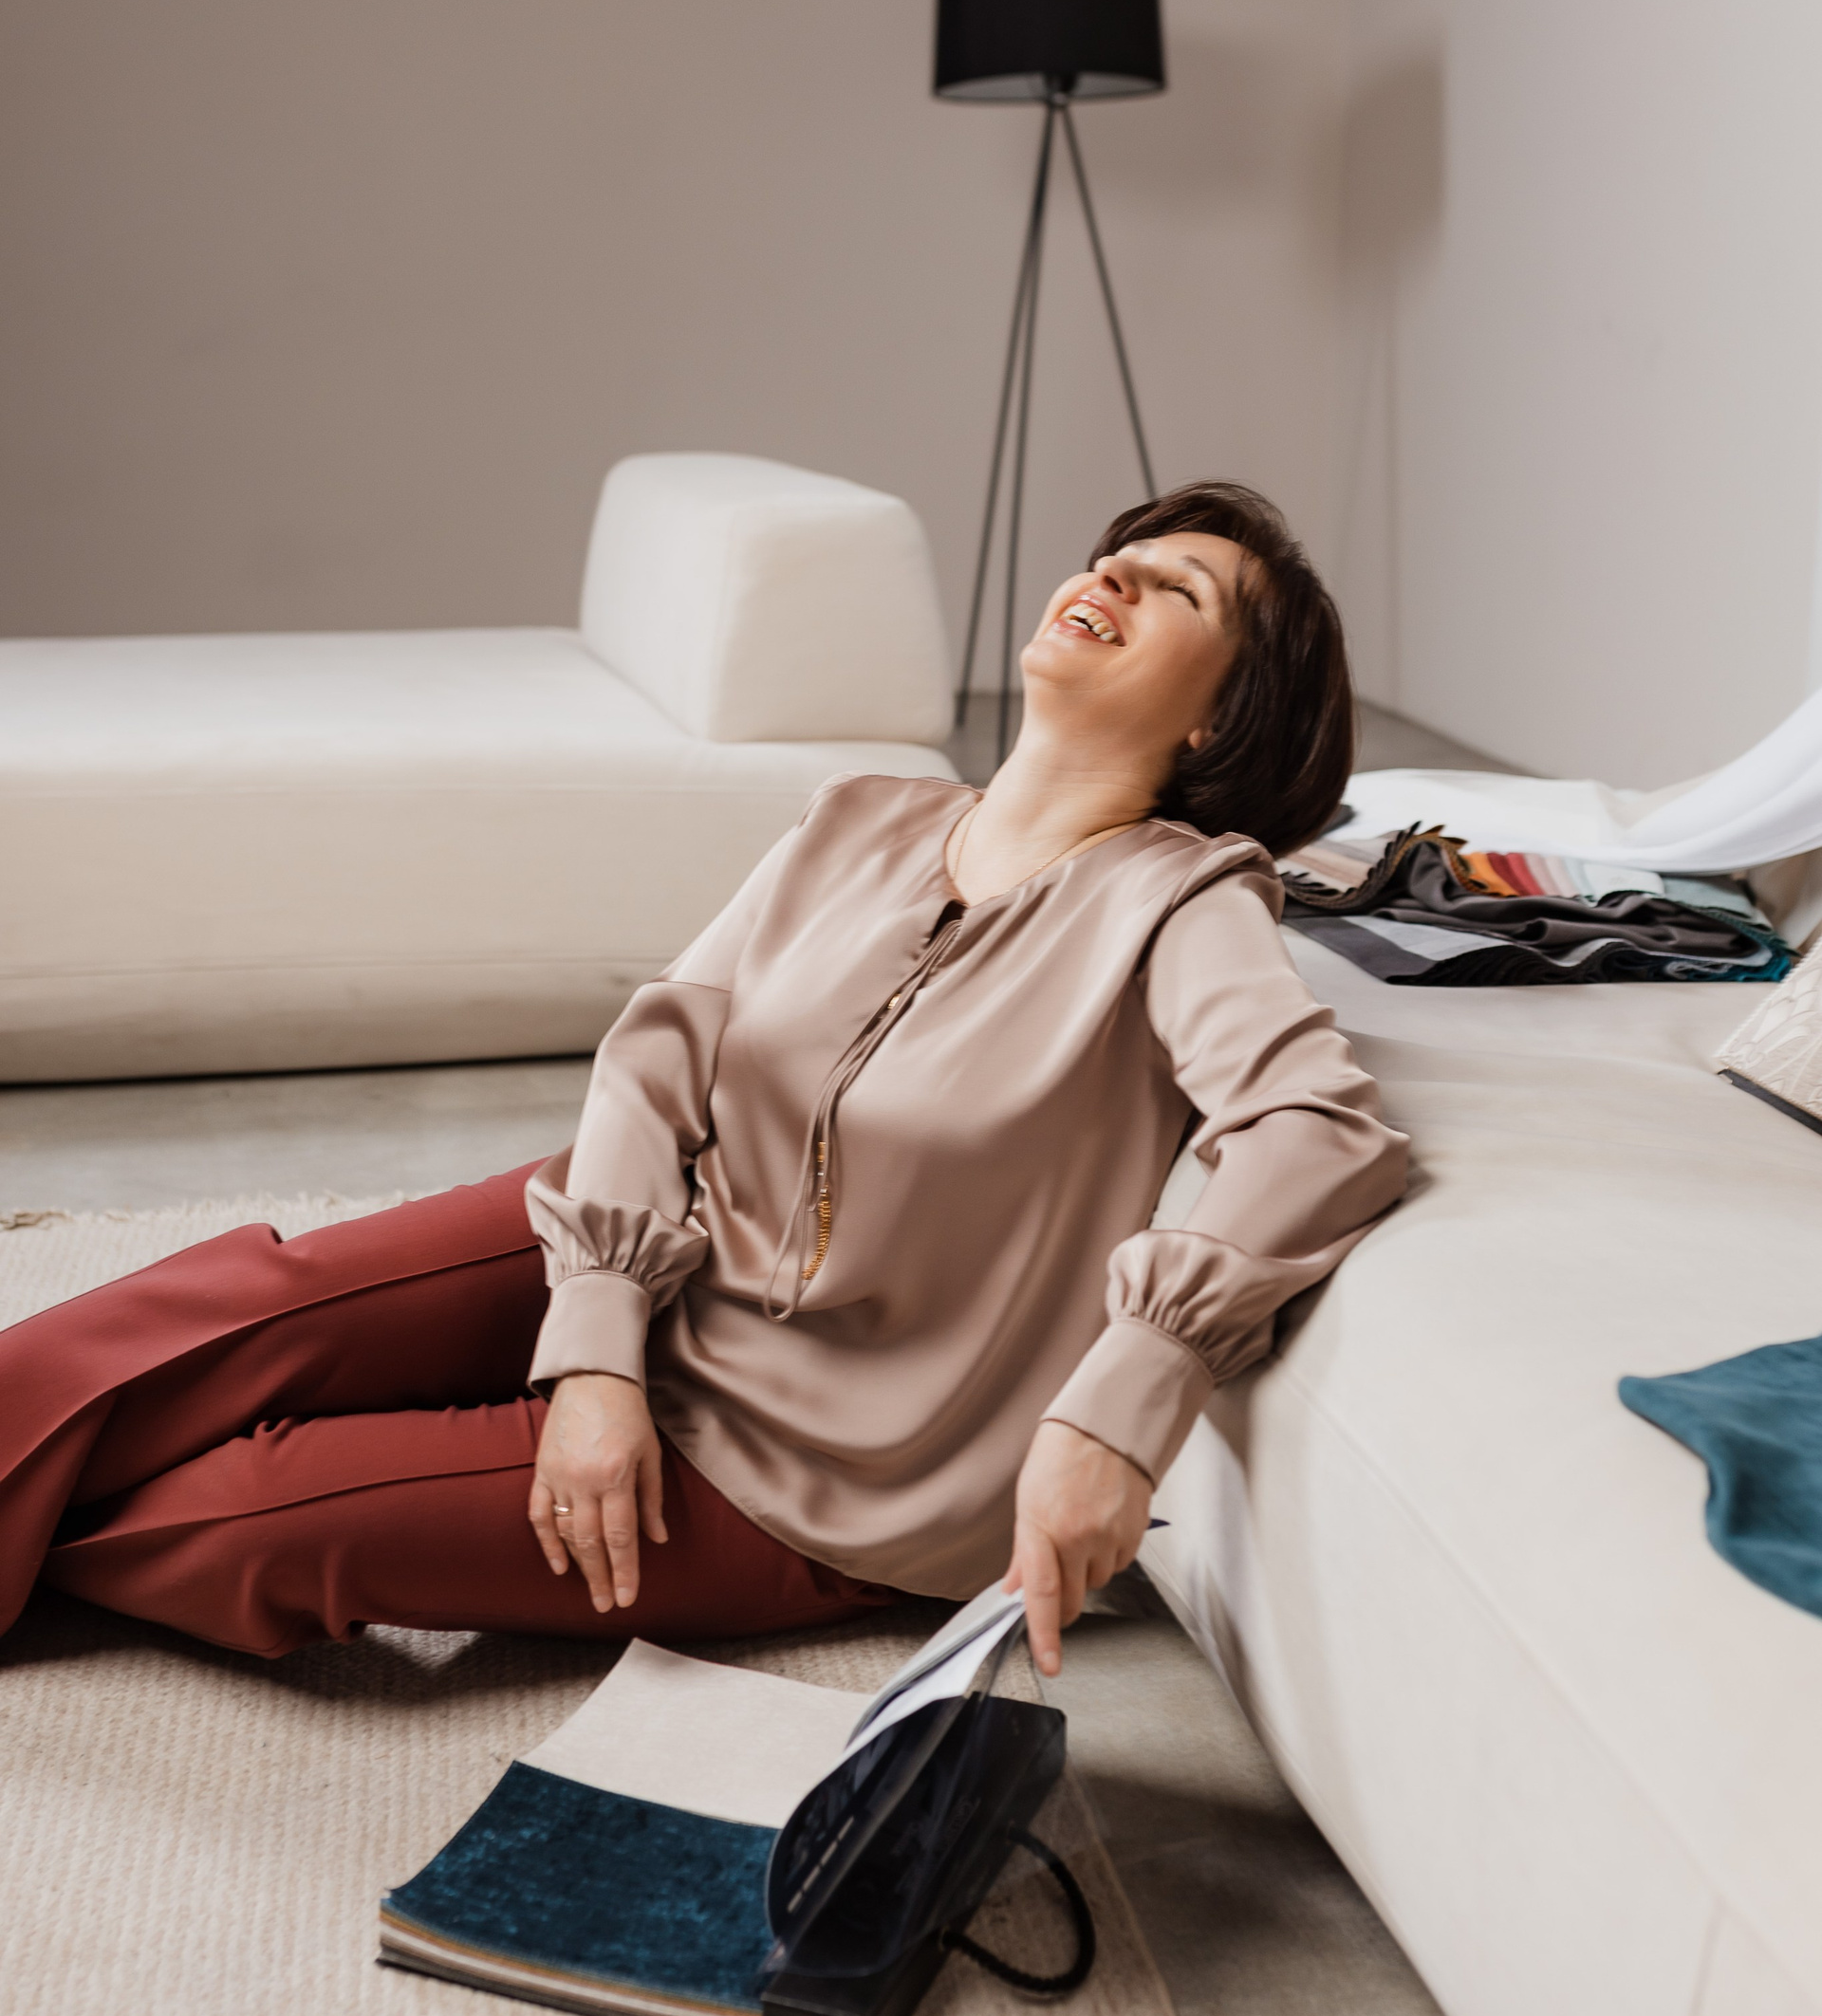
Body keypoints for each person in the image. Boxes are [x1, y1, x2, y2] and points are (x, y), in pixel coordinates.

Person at [1, 481, 1406, 1680]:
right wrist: (597, 1351)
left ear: (1219, 720)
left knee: (252, 1518)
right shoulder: (862, 817)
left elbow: (1317, 1136)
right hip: (647, 1239)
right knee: (245, 1309)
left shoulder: (1181, 902)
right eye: (1119, 554)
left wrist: (1120, 1409)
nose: (1113, 576)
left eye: (1176, 589)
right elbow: (661, 1053)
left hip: (809, 1470)